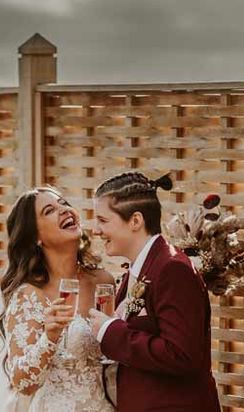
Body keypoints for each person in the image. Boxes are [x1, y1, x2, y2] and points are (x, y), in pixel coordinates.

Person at [0, 186, 115, 412]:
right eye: (49, 211)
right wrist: (49, 337)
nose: (64, 210)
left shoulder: (103, 281)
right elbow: (22, 382)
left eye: (64, 203)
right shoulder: (28, 296)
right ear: (36, 237)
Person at [88, 172, 221, 412]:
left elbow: (181, 354)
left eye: (103, 220)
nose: (96, 230)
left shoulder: (172, 269)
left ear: (135, 221)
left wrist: (111, 331)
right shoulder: (141, 268)